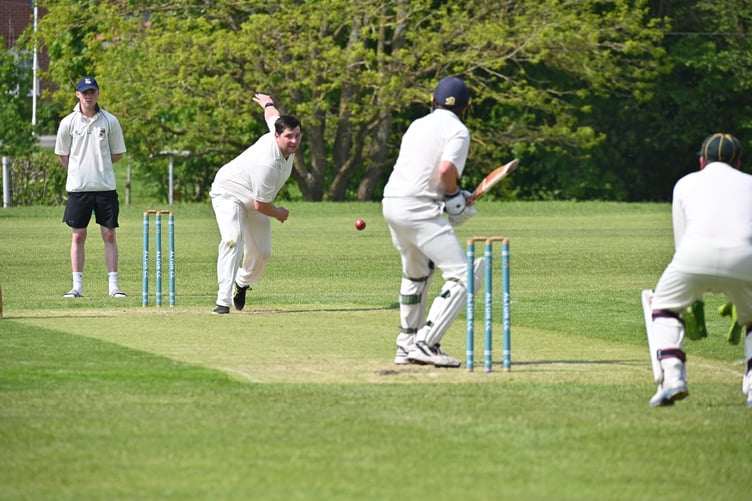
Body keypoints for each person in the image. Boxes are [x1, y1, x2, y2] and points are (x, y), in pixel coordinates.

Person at [645, 132, 752, 407]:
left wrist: (694, 295)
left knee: (664, 307)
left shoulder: (685, 183)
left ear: (703, 161)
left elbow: (681, 238)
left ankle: (673, 377)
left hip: (693, 256)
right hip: (745, 258)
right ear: (738, 162)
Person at [381, 76, 478, 368]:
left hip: (392, 202)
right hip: (420, 208)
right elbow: (445, 169)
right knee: (463, 276)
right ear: (466, 107)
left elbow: (424, 170)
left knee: (416, 273)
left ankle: (406, 345)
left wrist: (453, 195)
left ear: (432, 101)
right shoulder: (459, 131)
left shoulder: (417, 125)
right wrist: (453, 197)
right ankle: (426, 342)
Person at [209, 93, 301, 315]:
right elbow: (262, 205)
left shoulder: (280, 134)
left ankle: (241, 282)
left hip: (255, 198)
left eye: (298, 136)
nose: (294, 141)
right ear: (277, 136)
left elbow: (272, 115)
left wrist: (268, 103)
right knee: (233, 240)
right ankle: (223, 301)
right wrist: (278, 212)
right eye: (289, 136)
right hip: (228, 193)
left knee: (262, 253)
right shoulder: (266, 163)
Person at [55, 76, 127, 298]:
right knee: (78, 236)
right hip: (79, 189)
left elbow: (117, 154)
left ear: (97, 93)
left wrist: (98, 166)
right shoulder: (68, 122)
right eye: (84, 92)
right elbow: (62, 155)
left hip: (105, 187)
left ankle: (113, 287)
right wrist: (80, 171)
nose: (89, 95)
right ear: (78, 94)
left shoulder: (109, 121)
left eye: (92, 91)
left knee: (109, 234)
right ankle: (77, 287)